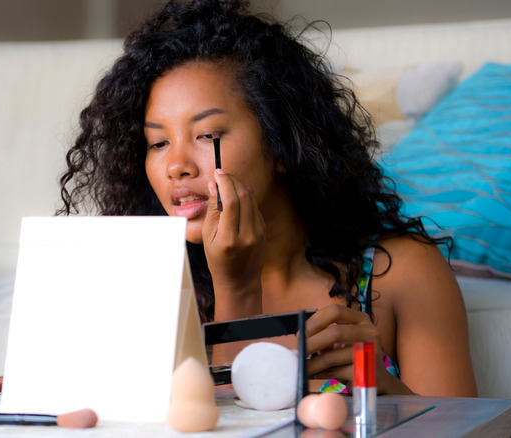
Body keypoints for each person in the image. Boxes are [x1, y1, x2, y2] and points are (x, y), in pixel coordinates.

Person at [58, 0, 477, 397]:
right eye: (158, 143)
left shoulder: (400, 275)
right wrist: (236, 288)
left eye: (207, 135)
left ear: (282, 144)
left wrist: (388, 395)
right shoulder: (152, 289)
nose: (176, 166)